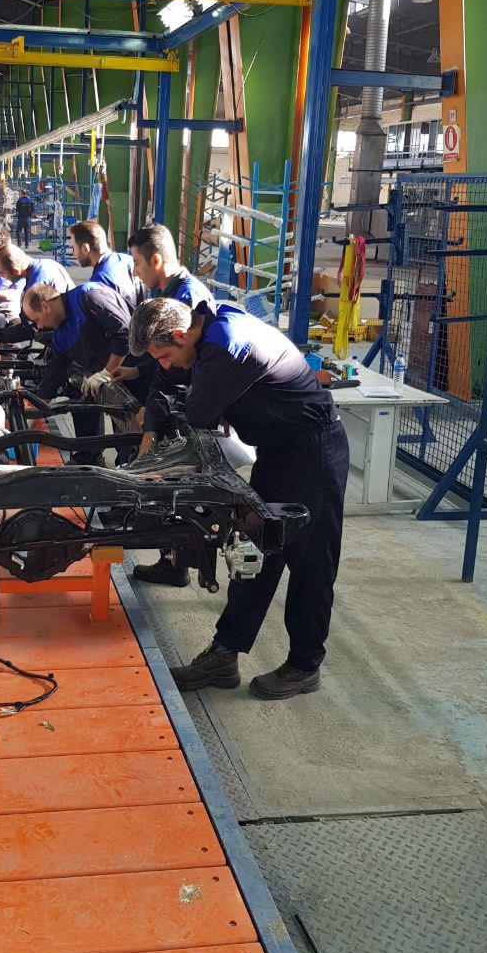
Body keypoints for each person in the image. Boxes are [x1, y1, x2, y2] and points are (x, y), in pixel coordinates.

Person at [128, 297, 349, 700]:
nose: (166, 365)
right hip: (278, 451)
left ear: (181, 334)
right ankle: (224, 654)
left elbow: (197, 412)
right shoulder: (206, 332)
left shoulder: (227, 343)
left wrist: (195, 408)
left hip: (313, 451)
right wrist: (156, 422)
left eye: (165, 356)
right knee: (255, 552)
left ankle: (304, 665)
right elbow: (175, 388)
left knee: (310, 563)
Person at [119, 222, 217, 586]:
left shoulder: (184, 298)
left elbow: (172, 371)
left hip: (189, 403)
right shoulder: (171, 291)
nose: (135, 271)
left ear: (156, 260)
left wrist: (152, 425)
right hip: (179, 399)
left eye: (137, 262)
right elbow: (161, 361)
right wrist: (136, 373)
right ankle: (173, 559)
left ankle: (178, 561)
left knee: (174, 480)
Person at [23, 281, 134, 465]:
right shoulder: (61, 335)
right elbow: (54, 375)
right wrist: (32, 421)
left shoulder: (89, 297)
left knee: (128, 436)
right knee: (82, 402)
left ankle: (130, 472)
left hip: (132, 371)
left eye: (37, 320)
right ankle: (88, 461)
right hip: (102, 377)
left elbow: (124, 333)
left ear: (45, 306)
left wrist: (107, 372)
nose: (40, 327)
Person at [0, 244, 73, 343]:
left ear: (16, 271)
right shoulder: (47, 264)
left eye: (2, 273)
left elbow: (27, 330)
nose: (1, 276)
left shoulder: (37, 283)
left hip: (66, 338)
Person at [68, 220, 147, 310]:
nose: (74, 252)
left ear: (85, 249)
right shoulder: (129, 260)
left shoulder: (100, 282)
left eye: (74, 247)